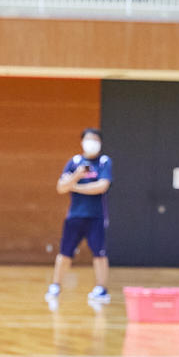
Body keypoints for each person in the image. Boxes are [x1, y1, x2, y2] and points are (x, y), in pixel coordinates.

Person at [47, 127, 112, 307]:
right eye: (88, 139)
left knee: (99, 253)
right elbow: (61, 187)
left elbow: (102, 186)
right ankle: (55, 285)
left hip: (96, 216)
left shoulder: (104, 162)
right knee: (65, 253)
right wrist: (76, 176)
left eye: (95, 139)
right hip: (75, 216)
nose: (91, 142)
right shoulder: (74, 162)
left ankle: (100, 288)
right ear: (82, 141)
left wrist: (75, 187)